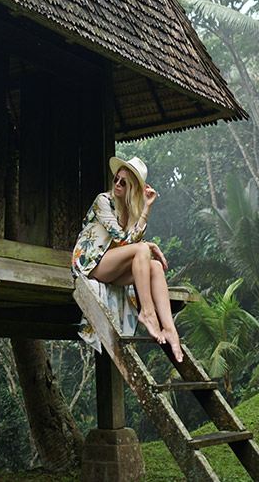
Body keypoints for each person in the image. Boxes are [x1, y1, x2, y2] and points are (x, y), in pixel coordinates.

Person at [72, 155, 183, 364]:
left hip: (110, 267)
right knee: (141, 249)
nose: (117, 185)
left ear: (131, 187)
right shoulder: (103, 201)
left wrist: (146, 207)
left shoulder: (130, 211)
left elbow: (131, 244)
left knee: (156, 267)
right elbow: (124, 241)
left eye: (123, 182)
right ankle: (148, 314)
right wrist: (148, 242)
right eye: (116, 179)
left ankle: (170, 330)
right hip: (90, 264)